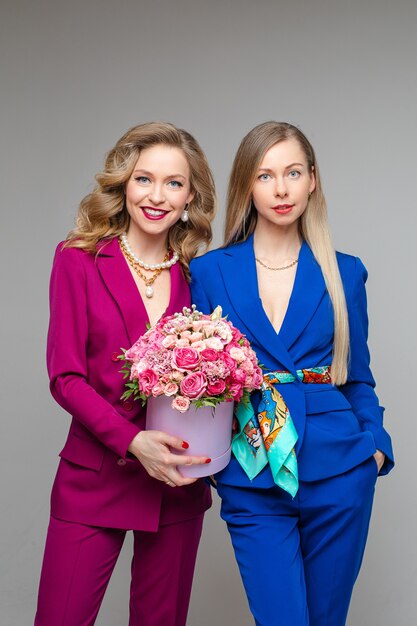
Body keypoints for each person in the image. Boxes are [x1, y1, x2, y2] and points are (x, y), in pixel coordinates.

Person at [190, 121, 394, 626]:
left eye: (293, 172)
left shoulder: (344, 271)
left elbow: (358, 376)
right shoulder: (210, 272)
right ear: (247, 186)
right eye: (265, 175)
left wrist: (376, 444)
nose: (281, 189)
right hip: (252, 470)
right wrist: (213, 468)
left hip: (341, 469)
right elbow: (197, 381)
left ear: (312, 180)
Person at [34, 122, 216, 626]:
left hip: (176, 482)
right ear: (123, 184)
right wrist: (133, 442)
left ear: (190, 195)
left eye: (173, 183)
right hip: (95, 475)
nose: (157, 197)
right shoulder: (78, 260)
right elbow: (64, 377)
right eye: (144, 179)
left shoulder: (198, 276)